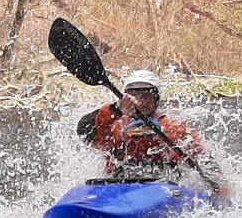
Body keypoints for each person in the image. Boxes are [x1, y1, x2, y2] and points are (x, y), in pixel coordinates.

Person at [76, 70, 228, 198]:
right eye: (133, 94)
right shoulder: (115, 126)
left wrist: (218, 183)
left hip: (163, 187)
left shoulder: (173, 129)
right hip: (118, 187)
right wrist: (115, 109)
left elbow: (202, 156)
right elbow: (85, 130)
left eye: (146, 94)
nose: (140, 100)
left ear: (156, 98)